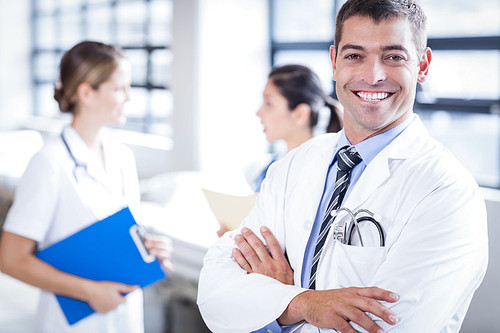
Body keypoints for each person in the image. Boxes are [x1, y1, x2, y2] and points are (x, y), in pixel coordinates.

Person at [197, 1, 488, 332]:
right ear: (334, 63)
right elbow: (213, 291)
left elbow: (383, 327)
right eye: (355, 56)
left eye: (394, 57)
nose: (372, 75)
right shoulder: (292, 167)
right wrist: (303, 303)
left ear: (422, 65)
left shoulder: (447, 192)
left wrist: (270, 302)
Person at [0, 41, 171, 333]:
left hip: (124, 316)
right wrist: (89, 291)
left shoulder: (121, 156)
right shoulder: (49, 162)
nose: (129, 97)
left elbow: (124, 232)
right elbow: (11, 258)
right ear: (86, 93)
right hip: (73, 322)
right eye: (120, 88)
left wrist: (151, 251)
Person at [249, 64, 343, 193]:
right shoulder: (271, 167)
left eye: (269, 104)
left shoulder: (320, 173)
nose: (259, 113)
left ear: (300, 114)